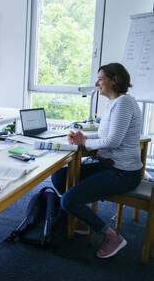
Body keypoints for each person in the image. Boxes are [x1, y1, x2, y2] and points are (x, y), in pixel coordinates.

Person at [51, 63, 143, 259]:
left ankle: (112, 236)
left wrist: (86, 141)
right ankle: (83, 220)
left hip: (123, 173)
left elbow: (113, 141)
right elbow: (105, 138)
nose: (96, 83)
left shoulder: (124, 103)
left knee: (68, 200)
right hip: (108, 166)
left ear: (114, 80)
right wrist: (82, 139)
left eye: (100, 78)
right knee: (59, 177)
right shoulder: (113, 103)